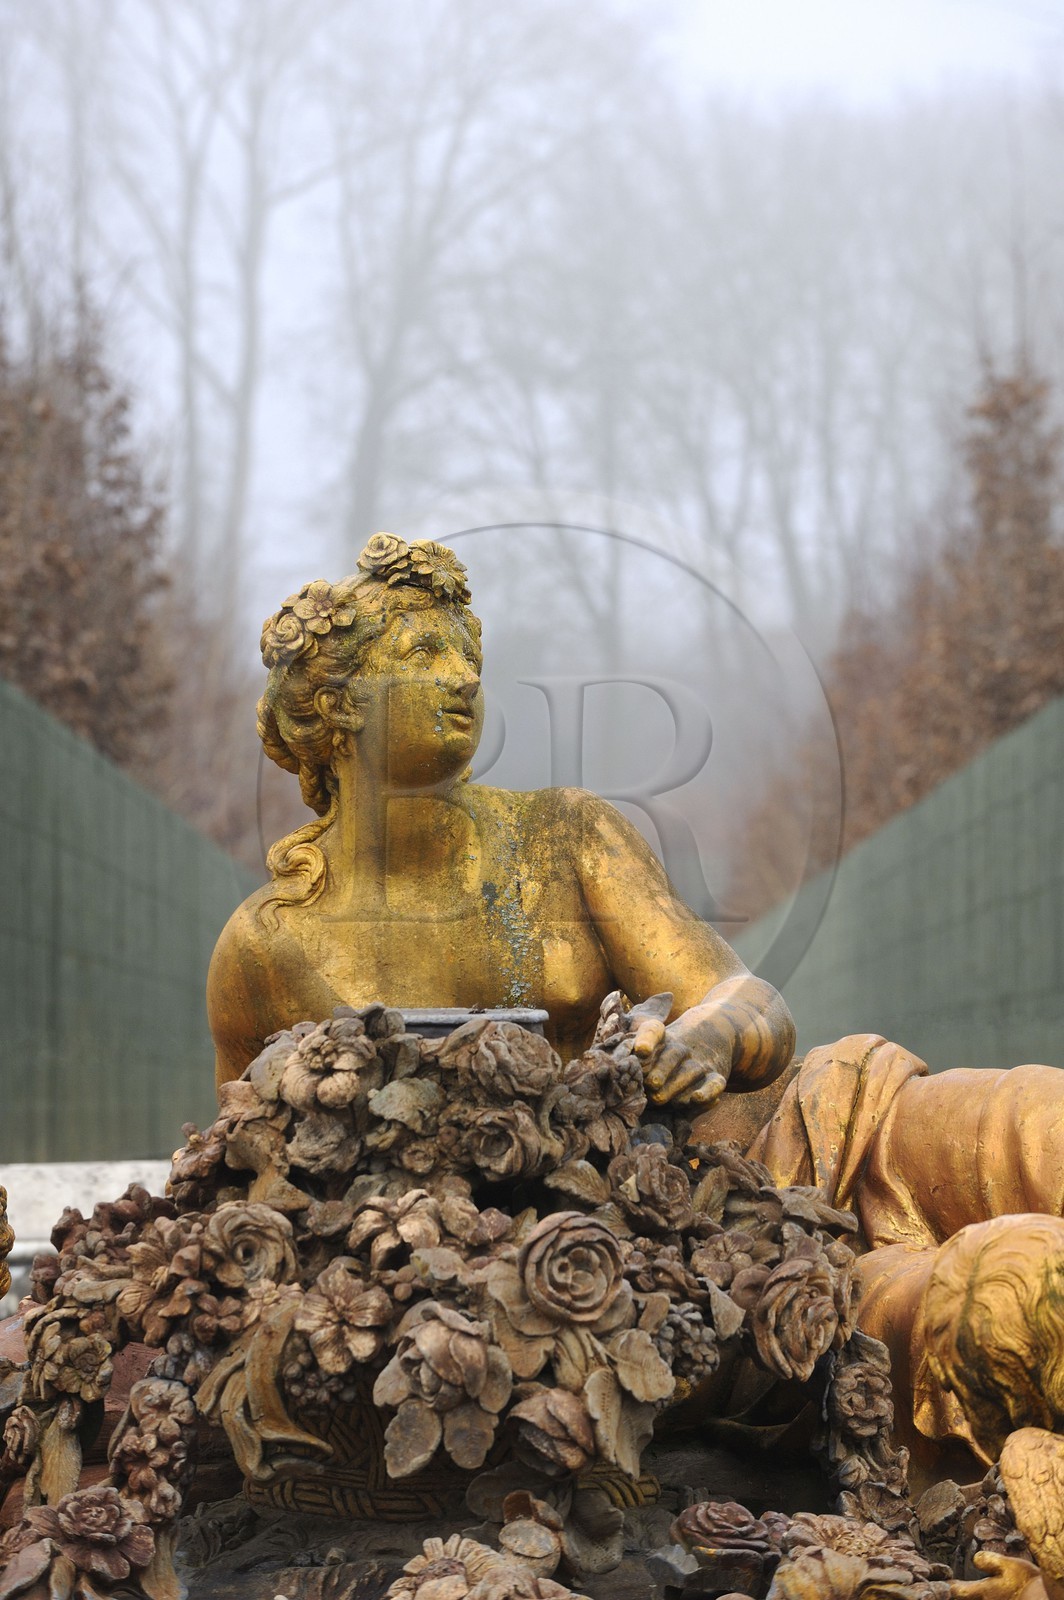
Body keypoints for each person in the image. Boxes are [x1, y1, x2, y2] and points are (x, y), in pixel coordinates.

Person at [207, 534, 796, 1096]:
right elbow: (237, 1143)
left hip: (601, 1163)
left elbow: (748, 998)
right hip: (387, 1173)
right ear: (337, 704)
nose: (465, 679)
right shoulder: (266, 944)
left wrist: (707, 1036)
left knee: (848, 1075)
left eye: (468, 658)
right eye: (424, 653)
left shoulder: (565, 836)